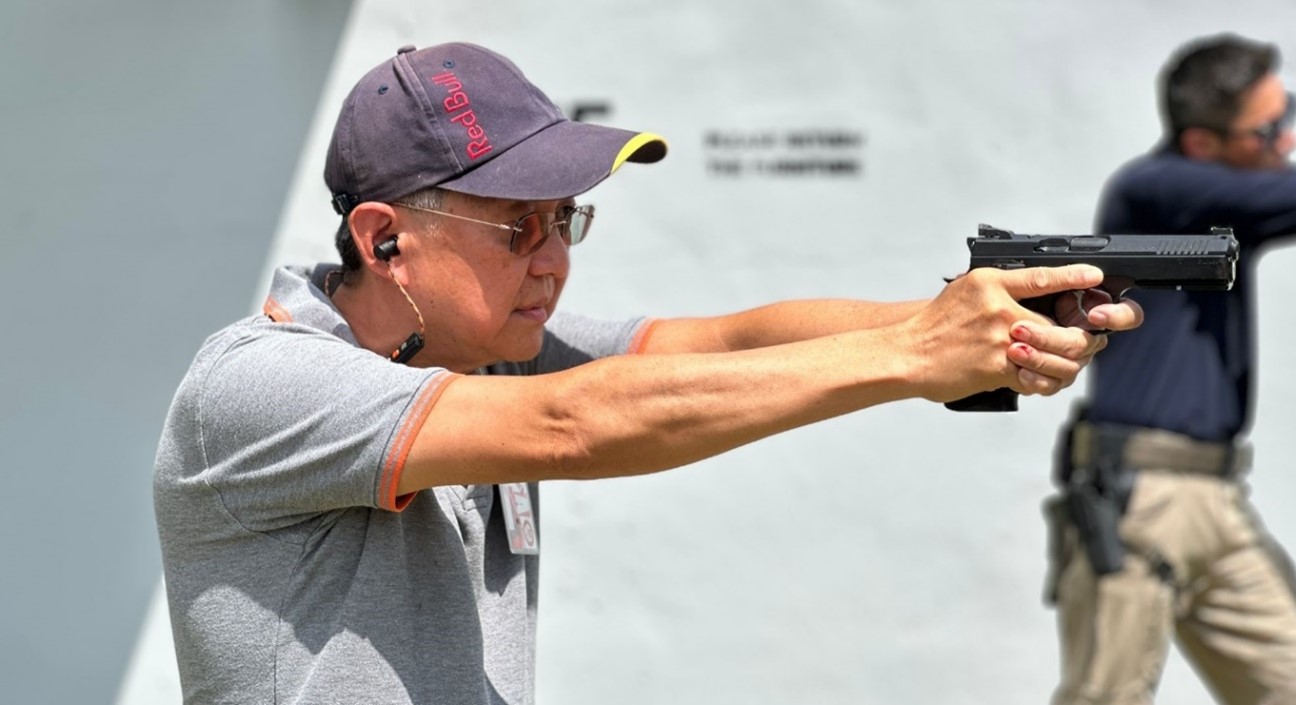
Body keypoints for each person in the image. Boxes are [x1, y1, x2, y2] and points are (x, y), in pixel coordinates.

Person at [153, 42, 1141, 705]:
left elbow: (719, 346)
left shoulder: (491, 347)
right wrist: (918, 355)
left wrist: (965, 326)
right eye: (518, 224)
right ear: (386, 240)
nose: (553, 257)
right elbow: (571, 428)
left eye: (565, 220)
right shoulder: (258, 389)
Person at [1045, 33, 1296, 705]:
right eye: (1269, 128)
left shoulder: (1219, 205)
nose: (1287, 141)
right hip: (1140, 498)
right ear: (1202, 145)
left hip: (1216, 496)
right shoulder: (1157, 190)